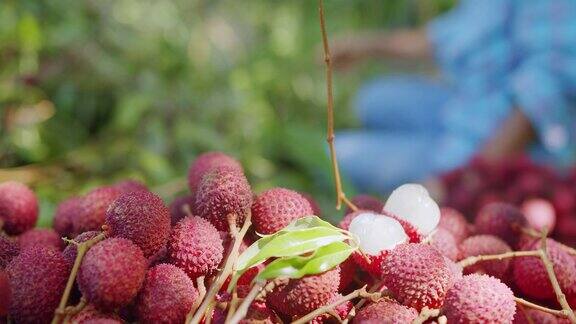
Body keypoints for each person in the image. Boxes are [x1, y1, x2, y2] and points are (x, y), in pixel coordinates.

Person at [331, 0, 576, 194]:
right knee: (372, 99)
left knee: (335, 155)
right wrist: (369, 45)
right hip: (467, 107)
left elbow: (548, 89)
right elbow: (450, 34)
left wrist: (463, 181)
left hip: (492, 147)